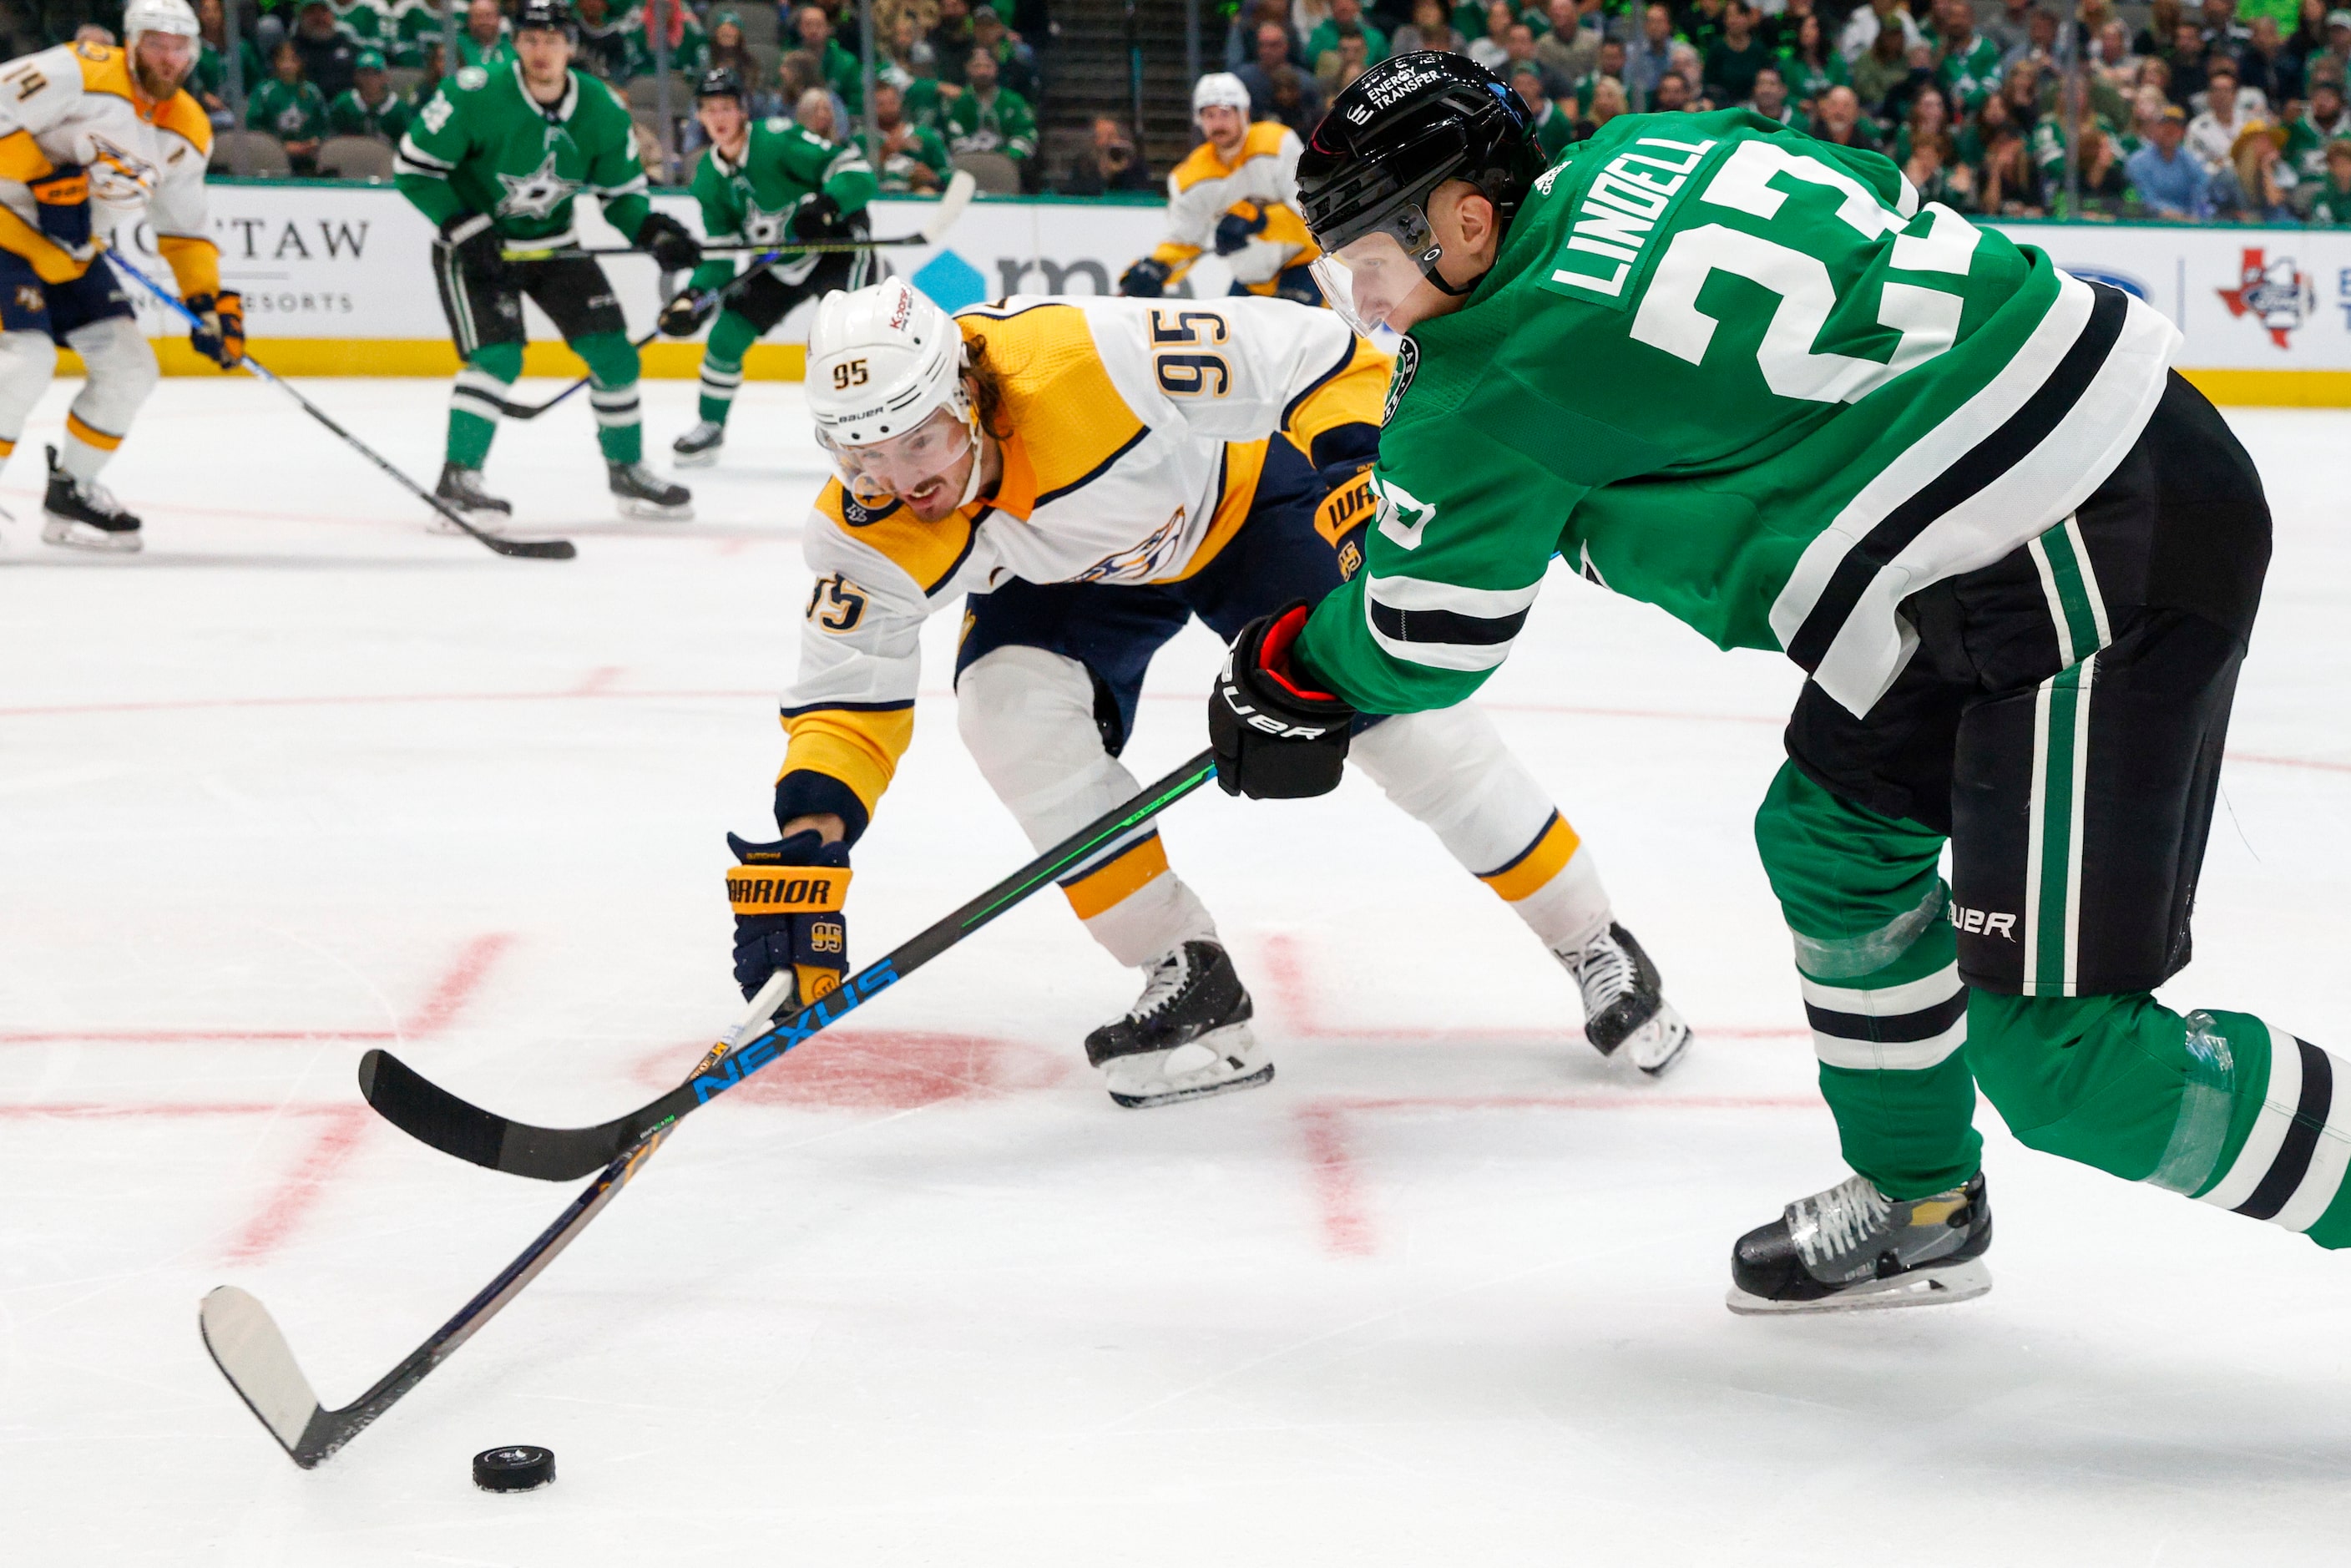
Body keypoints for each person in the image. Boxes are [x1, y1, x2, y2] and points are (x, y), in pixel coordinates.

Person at [1233, 51, 2338, 1318]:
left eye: (1367, 263)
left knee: (2068, 1062)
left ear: (1465, 221)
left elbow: (1421, 641)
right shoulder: (1650, 143)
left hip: (2078, 544)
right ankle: (1920, 1202)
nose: (1365, 305)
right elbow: (1877, 187)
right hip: (2043, 498)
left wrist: (1291, 670)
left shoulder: (1488, 379)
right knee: (1832, 840)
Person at [736, 277, 1693, 1108]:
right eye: (861, 457)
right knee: (1004, 710)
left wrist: (1362, 485)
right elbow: (846, 691)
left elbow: (1315, 352)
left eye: (919, 443)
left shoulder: (1081, 359)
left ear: (966, 395)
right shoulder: (866, 524)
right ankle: (1187, 979)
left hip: (1240, 508)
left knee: (1399, 719)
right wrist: (810, 840)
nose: (901, 482)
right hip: (1071, 578)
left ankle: (1588, 937)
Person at [394, 0, 698, 525]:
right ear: (516, 43)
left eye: (553, 39)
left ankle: (625, 469)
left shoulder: (600, 107)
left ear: (571, 46)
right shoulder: (474, 94)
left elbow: (620, 196)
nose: (542, 51)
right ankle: (458, 479)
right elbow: (413, 169)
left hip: (555, 245)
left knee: (616, 357)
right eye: (531, 39)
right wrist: (465, 226)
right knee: (499, 357)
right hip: (476, 249)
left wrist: (653, 231)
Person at [0, 0, 240, 553]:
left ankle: (73, 490)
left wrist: (208, 302)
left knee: (131, 366)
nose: (169, 57)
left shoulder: (188, 128)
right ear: (130, 43)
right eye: (156, 43)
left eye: (180, 47)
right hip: (5, 229)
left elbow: (183, 230)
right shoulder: (77, 70)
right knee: (24, 361)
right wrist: (43, 178)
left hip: (73, 253)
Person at [667, 68, 875, 468]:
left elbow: (857, 172)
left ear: (743, 110)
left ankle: (868, 434)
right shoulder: (708, 178)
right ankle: (710, 426)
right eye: (711, 110)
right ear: (700, 116)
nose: (720, 117)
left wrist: (828, 206)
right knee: (726, 335)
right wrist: (694, 296)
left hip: (836, 247)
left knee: (852, 341)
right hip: (780, 260)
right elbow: (722, 255)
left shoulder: (777, 140)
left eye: (727, 107)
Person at [1120, 73, 1320, 305]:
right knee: (1226, 337)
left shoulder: (1277, 143)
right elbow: (1186, 241)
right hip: (1251, 282)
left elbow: (1311, 214)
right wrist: (1158, 268)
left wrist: (1260, 220)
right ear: (1199, 120)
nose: (1218, 123)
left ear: (1244, 113)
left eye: (1225, 113)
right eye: (1209, 115)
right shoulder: (1190, 177)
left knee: (1289, 332)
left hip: (1306, 266)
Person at [248, 38, 331, 170]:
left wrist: (313, 142)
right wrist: (281, 145)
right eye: (283, 60)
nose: (288, 65)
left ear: (301, 62)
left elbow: (323, 126)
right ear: (275, 62)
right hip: (271, 154)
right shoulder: (264, 92)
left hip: (308, 156)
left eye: (293, 60)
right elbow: (254, 126)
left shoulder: (312, 92)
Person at [2126, 101, 2211, 215]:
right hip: (2149, 224)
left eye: (2176, 127)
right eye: (2164, 126)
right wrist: (2167, 212)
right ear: (2154, 129)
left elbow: (2201, 193)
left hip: (2188, 223)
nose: (2170, 131)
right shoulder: (2137, 162)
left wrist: (2193, 215)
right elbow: (2144, 198)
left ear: (2182, 132)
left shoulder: (2192, 162)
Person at [874, 79, 956, 193]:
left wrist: (933, 177)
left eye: (892, 102)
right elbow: (854, 178)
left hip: (916, 198)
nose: (888, 109)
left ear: (900, 103)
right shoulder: (862, 139)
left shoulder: (926, 136)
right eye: (880, 104)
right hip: (876, 199)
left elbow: (949, 173)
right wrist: (884, 154)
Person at [2206, 118, 2298, 216]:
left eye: (2271, 142)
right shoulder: (2228, 177)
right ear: (2248, 148)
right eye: (2263, 141)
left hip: (2272, 226)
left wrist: (2267, 171)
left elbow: (2276, 203)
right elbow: (2213, 211)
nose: (2270, 146)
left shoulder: (2281, 171)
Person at [329, 46, 412, 139]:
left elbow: (405, 139)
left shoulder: (398, 108)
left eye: (376, 73)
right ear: (356, 76)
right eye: (364, 73)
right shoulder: (344, 103)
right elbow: (332, 134)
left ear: (386, 77)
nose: (370, 78)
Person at [2286, 73, 2348, 185]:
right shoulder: (2297, 127)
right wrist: (2286, 123)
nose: (2322, 103)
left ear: (2341, 103)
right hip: (2304, 188)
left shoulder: (2348, 132)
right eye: (2317, 97)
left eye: (2328, 98)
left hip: (2342, 190)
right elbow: (2285, 157)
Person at [2303, 132, 2351, 221]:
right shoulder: (2322, 193)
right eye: (2338, 164)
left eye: (2347, 163)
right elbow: (2320, 225)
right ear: (2331, 167)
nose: (2343, 169)